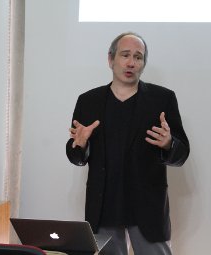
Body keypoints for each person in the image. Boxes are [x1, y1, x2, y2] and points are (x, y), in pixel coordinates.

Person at [66, 32, 189, 255]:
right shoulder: (88, 101)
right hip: (104, 205)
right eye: (125, 55)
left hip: (147, 206)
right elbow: (75, 155)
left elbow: (182, 154)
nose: (131, 62)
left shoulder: (163, 99)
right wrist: (80, 145)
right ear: (110, 59)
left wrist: (169, 143)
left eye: (138, 57)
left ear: (143, 63)